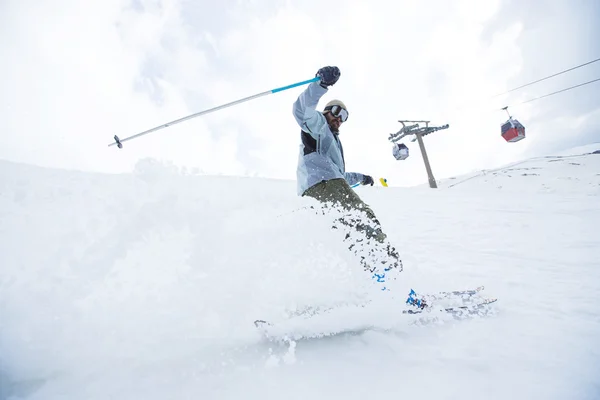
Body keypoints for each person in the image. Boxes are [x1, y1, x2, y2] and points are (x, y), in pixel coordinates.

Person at [292, 65, 403, 278]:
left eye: (344, 116)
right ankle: (387, 275)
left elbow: (340, 175)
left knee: (350, 232)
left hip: (325, 186)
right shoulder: (318, 125)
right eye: (336, 111)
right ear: (326, 111)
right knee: (363, 218)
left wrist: (363, 178)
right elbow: (301, 110)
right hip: (323, 185)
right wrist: (320, 84)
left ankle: (374, 279)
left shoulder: (332, 140)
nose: (339, 118)